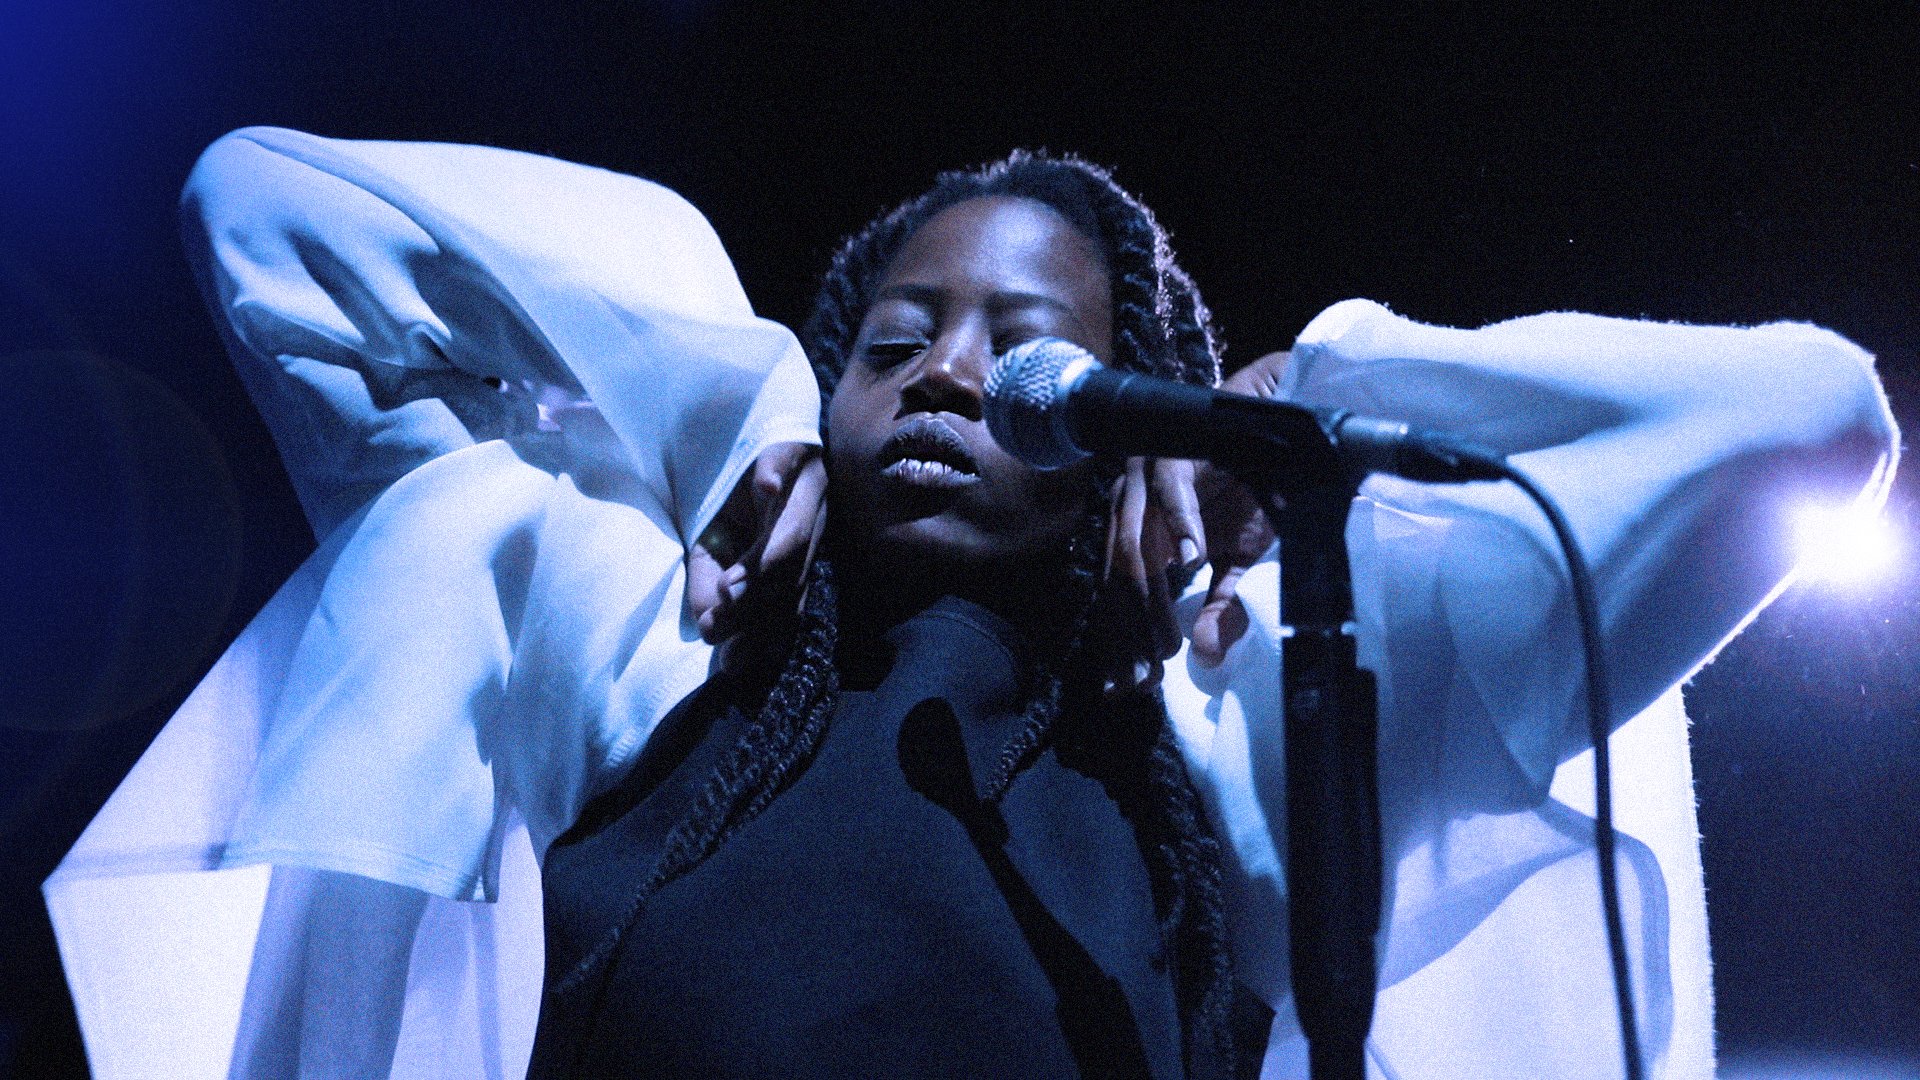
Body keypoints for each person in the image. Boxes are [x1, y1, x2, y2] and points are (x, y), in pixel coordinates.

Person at [44, 127, 1897, 1079]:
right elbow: (268, 212)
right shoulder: (642, 639)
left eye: (1029, 352)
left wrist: (1299, 398)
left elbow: (1804, 425)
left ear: (1132, 437)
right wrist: (733, 405)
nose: (945, 376)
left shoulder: (1243, 736)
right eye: (893, 344)